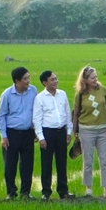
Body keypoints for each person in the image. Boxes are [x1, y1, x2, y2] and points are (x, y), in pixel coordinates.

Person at [73, 66, 106, 197]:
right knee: (88, 160)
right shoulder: (80, 94)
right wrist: (75, 130)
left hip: (103, 130)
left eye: (96, 77)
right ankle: (88, 188)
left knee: (105, 160)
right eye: (92, 78)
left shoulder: (102, 89)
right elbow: (76, 113)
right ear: (84, 80)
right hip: (86, 130)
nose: (95, 79)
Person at [32, 71, 75, 201]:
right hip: (47, 133)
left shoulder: (62, 94)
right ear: (45, 83)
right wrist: (41, 137)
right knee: (46, 163)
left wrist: (68, 132)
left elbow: (68, 114)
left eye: (56, 78)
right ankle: (46, 192)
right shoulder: (40, 98)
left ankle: (63, 191)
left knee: (62, 162)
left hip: (61, 131)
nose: (56, 81)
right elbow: (37, 119)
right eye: (52, 80)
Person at [0, 66, 37, 200]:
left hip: (28, 133)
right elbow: (0, 116)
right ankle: (11, 192)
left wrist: (37, 131)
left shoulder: (33, 91)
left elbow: (37, 112)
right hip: (12, 134)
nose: (28, 81)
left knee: (27, 165)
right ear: (17, 81)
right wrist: (3, 136)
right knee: (10, 164)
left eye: (28, 77)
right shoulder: (7, 95)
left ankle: (25, 193)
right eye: (25, 79)